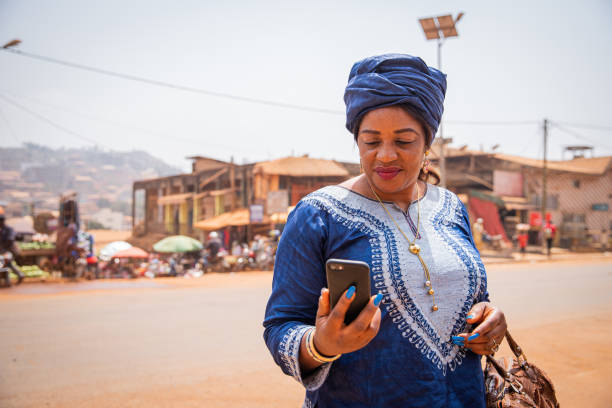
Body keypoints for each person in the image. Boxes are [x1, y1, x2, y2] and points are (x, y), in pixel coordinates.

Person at [263, 54, 506, 407]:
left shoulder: (452, 208)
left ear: (427, 144)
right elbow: (281, 326)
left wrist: (490, 321)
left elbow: (471, 301)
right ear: (356, 140)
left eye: (404, 141)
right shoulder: (318, 215)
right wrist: (321, 344)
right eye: (372, 141)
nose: (386, 156)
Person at [0, 208, 25, 285]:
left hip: (10, 251)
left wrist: (2, 248)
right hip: (4, 251)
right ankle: (16, 277)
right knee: (6, 264)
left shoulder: (9, 229)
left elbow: (9, 241)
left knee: (6, 263)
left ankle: (11, 279)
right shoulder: (2, 230)